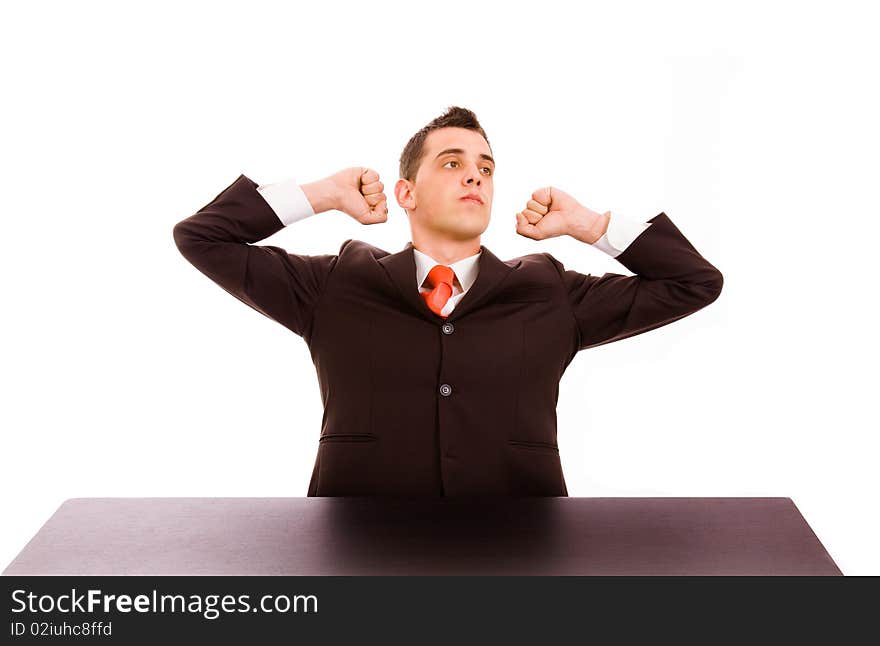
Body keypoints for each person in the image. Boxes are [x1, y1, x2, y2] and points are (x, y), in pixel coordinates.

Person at [172, 106, 723, 496]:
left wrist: (590, 224)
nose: (475, 178)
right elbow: (202, 237)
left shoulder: (548, 290)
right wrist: (324, 195)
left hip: (519, 557)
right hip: (357, 555)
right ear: (405, 193)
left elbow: (694, 282)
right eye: (452, 163)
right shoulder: (339, 283)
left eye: (485, 168)